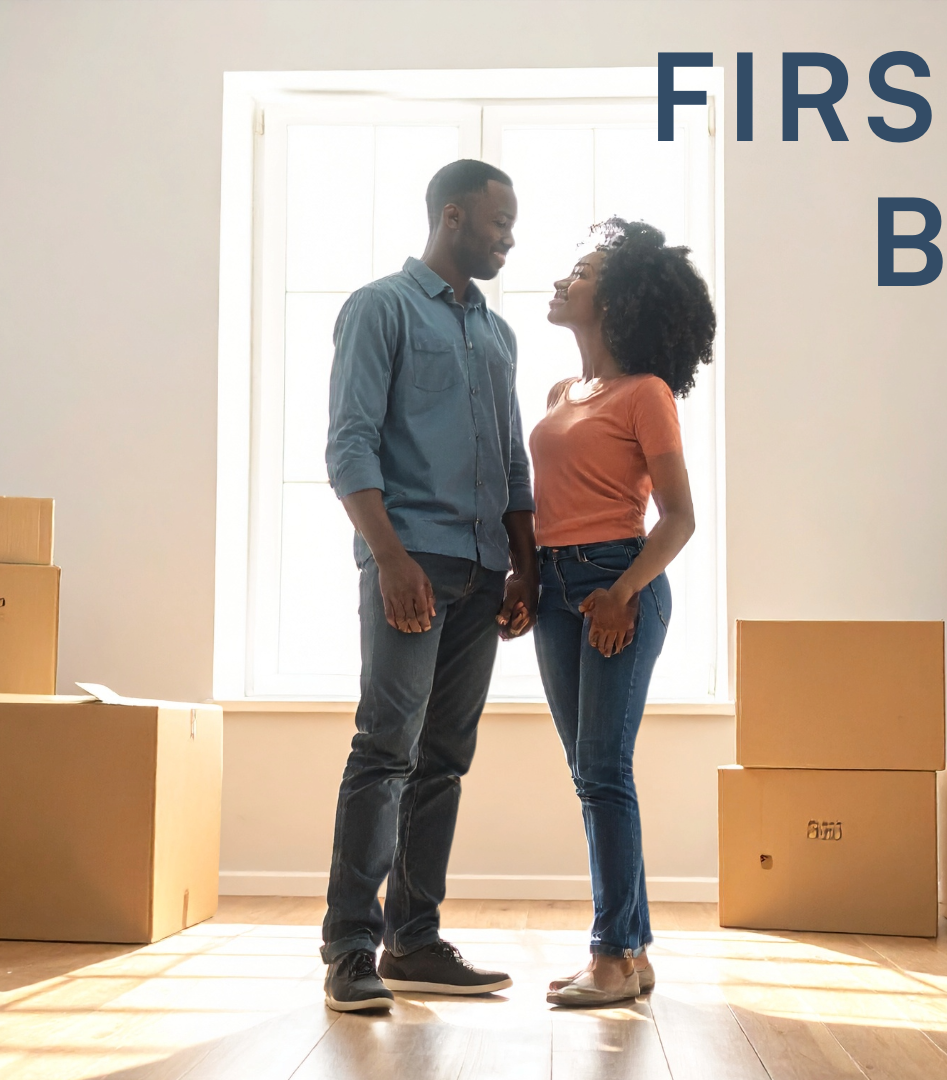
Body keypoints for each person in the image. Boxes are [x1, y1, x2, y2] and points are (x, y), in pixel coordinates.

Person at [318, 159, 537, 1012]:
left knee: (443, 760)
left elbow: (511, 461)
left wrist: (523, 562)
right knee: (386, 749)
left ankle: (414, 940)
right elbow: (350, 444)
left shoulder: (499, 334)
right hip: (411, 564)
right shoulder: (381, 309)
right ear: (452, 217)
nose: (509, 238)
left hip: (483, 573)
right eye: (499, 222)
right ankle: (349, 950)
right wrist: (391, 558)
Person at [528, 218, 715, 1007]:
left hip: (617, 582)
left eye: (581, 272)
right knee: (590, 772)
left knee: (604, 770)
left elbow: (679, 518)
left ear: (617, 299)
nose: (563, 280)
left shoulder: (647, 394)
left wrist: (623, 592)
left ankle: (608, 956)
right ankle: (633, 953)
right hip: (553, 588)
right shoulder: (560, 394)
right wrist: (527, 578)